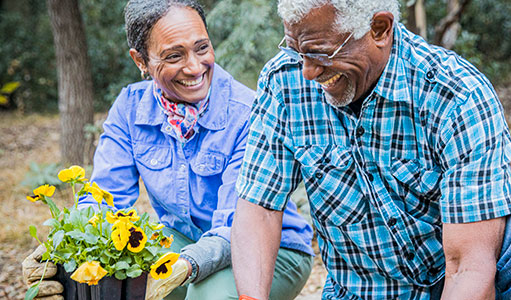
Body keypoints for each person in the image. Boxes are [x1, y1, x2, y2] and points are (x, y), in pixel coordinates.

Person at [231, 0, 511, 299]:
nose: (308, 72)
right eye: (296, 51)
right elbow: (259, 207)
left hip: (450, 285)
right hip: (357, 292)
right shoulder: (284, 81)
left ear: (380, 28)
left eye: (319, 53)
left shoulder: (456, 96)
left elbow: (468, 267)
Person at [21, 0, 314, 299]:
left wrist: (187, 264)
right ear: (140, 61)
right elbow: (103, 200)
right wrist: (64, 252)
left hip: (271, 249)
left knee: (205, 296)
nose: (194, 66)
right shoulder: (130, 108)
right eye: (174, 55)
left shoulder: (247, 113)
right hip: (181, 238)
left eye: (202, 48)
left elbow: (235, 225)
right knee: (108, 283)